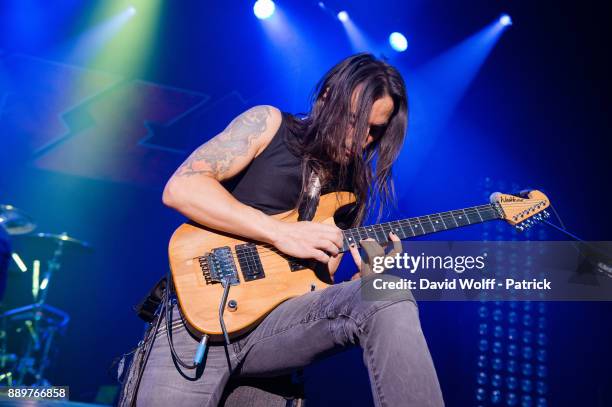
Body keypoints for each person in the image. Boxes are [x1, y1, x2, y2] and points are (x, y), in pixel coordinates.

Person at [120, 53, 444, 407]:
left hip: (275, 328)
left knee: (386, 293)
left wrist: (369, 274)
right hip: (202, 312)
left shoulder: (354, 186)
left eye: (374, 130)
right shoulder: (269, 123)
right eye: (354, 121)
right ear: (327, 97)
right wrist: (280, 233)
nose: (361, 138)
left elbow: (319, 279)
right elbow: (182, 188)